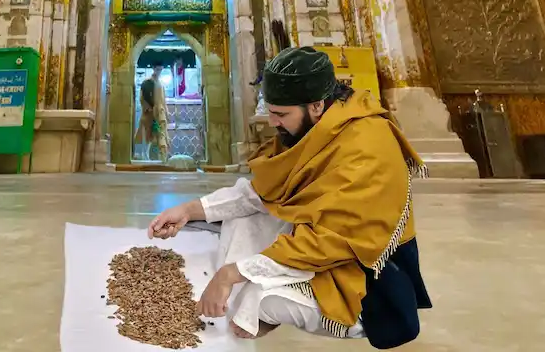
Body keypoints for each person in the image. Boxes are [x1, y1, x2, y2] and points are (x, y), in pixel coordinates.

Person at [148, 47, 430, 347]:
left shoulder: (368, 146)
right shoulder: (314, 127)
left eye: (281, 114)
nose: (273, 122)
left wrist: (230, 274)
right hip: (317, 241)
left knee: (259, 300)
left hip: (362, 271)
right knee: (242, 222)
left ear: (317, 106)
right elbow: (264, 192)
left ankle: (310, 311)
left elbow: (332, 240)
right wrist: (189, 210)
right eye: (270, 111)